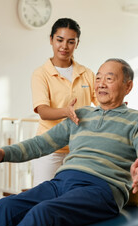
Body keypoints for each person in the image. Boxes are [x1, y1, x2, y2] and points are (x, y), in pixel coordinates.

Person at [0, 58, 138, 226]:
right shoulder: (81, 114)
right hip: (61, 182)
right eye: (98, 77)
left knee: (43, 213)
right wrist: (3, 153)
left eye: (109, 79)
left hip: (101, 190)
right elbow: (40, 144)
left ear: (128, 86)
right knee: (4, 207)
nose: (101, 83)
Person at [31, 18, 98, 186]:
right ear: (51, 40)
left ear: (77, 43)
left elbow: (101, 102)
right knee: (43, 198)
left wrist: (116, 104)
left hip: (79, 149)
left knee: (72, 197)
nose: (64, 46)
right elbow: (43, 111)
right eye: (59, 40)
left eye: (71, 42)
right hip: (49, 148)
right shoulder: (41, 74)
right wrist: (66, 112)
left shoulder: (87, 73)